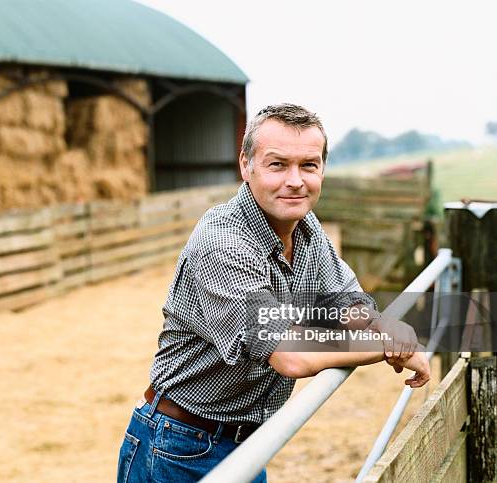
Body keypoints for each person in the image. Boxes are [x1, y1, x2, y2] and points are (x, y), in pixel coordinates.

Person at [117, 103, 430, 483]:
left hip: (250, 442)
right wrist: (386, 348)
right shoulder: (222, 243)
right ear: (246, 166)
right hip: (179, 446)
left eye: (309, 165)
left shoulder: (306, 227)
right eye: (277, 164)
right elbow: (290, 355)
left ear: (323, 169)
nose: (295, 180)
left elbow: (345, 301)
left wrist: (383, 326)